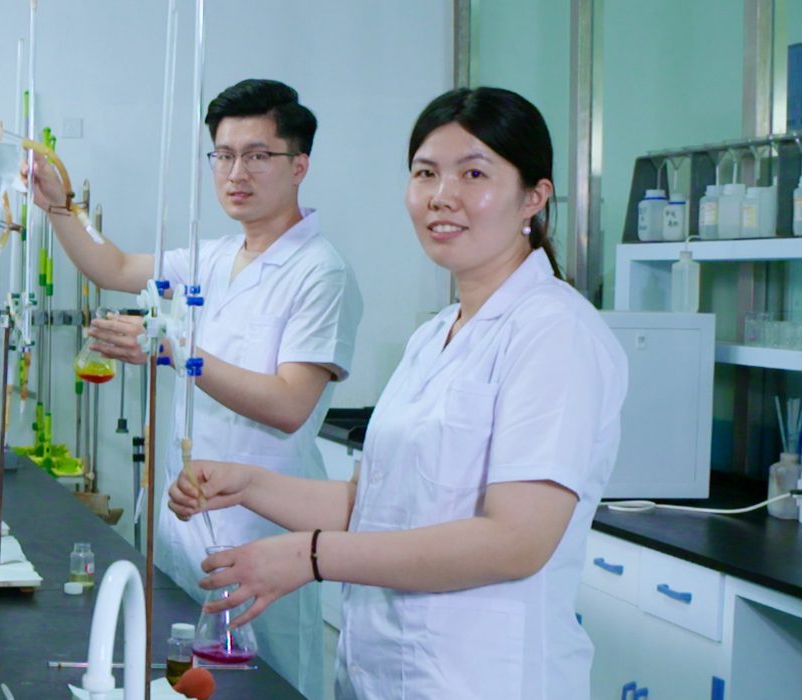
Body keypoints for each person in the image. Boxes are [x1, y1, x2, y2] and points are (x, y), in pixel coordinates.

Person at [169, 87, 626, 699]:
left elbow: (516, 541)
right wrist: (248, 484)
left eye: (473, 174)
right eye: (425, 173)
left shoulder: (555, 332)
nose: (442, 196)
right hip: (381, 677)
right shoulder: (435, 335)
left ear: (534, 197)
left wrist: (311, 557)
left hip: (481, 681)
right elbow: (375, 505)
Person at [27, 78, 360, 696]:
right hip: (183, 524)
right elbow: (113, 267)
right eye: (224, 155)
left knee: (260, 687)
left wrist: (177, 353)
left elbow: (290, 404)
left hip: (262, 534)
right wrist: (59, 209)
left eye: (258, 155)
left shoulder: (321, 273)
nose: (236, 172)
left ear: (299, 165)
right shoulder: (212, 257)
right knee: (178, 675)